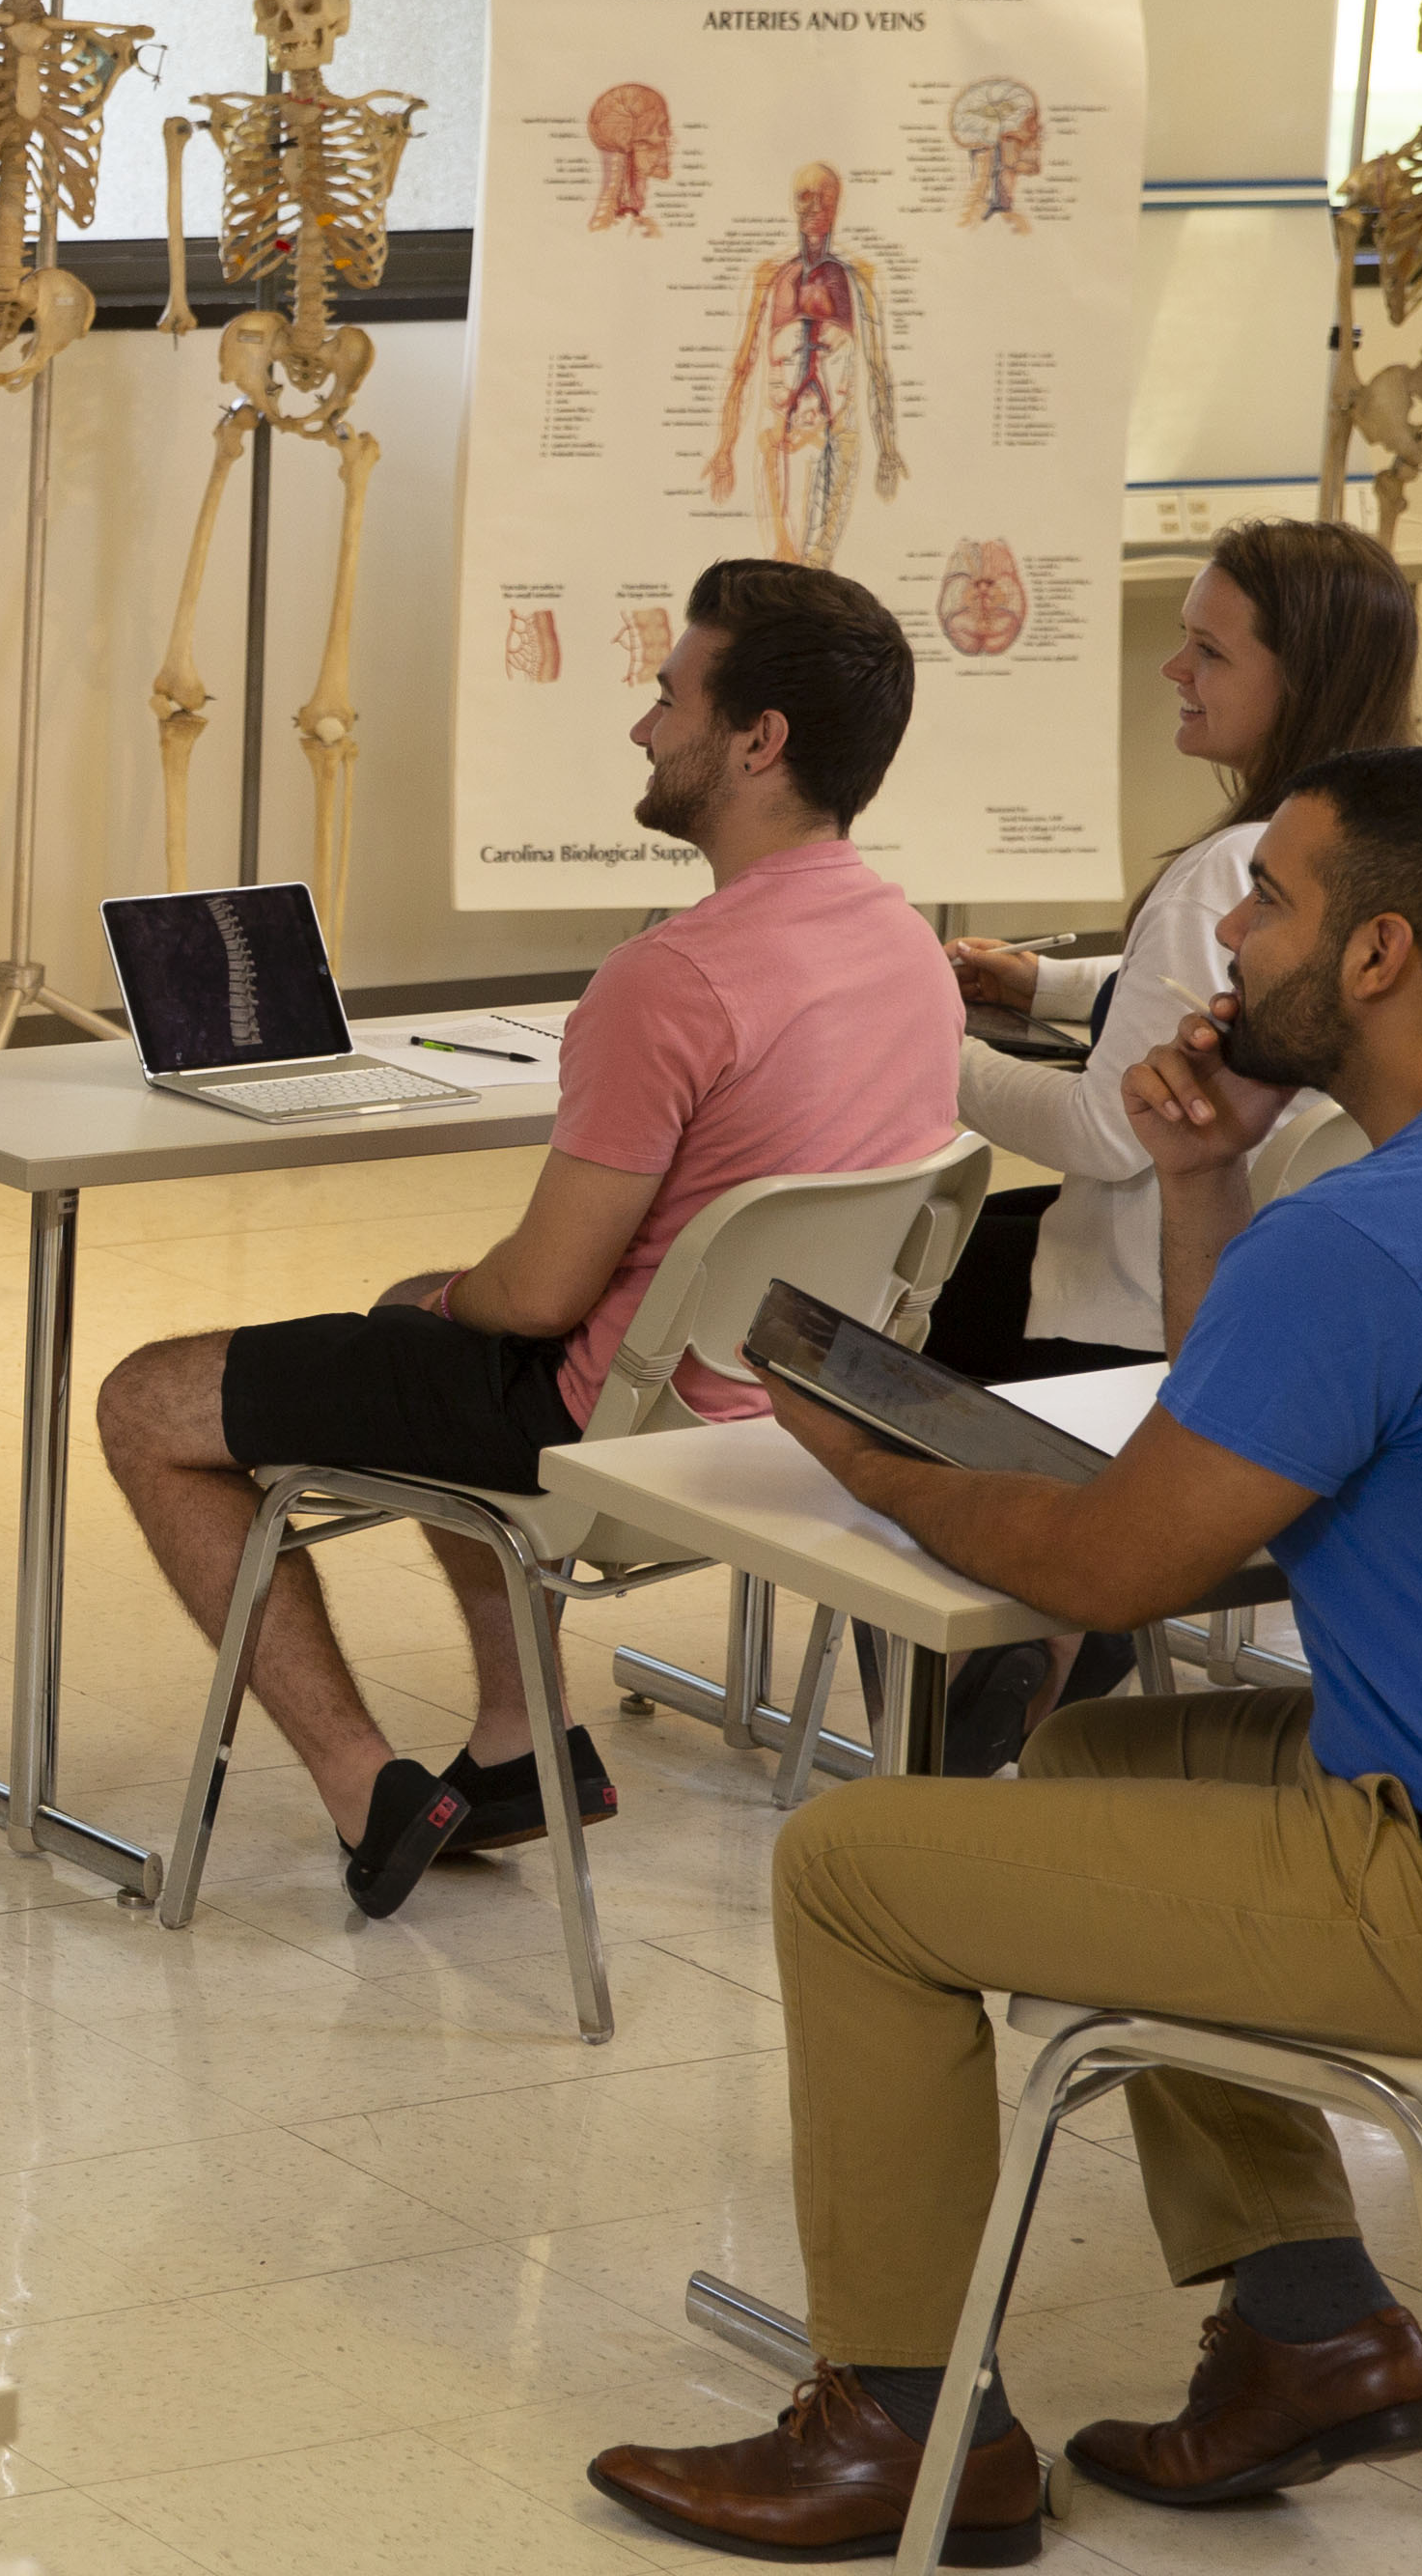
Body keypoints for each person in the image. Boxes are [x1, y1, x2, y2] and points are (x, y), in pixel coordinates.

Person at [590, 748, 1422, 2567]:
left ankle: (902, 2438)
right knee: (1086, 1769)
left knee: (851, 1870)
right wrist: (1200, 1182)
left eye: (1273, 898)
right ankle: (1315, 2328)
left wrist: (847, 1434)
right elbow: (1252, 1435)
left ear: (1376, 956)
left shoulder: (1377, 1234)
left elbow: (1111, 1568)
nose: (1229, 928)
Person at [89, 558, 957, 1921]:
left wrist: (448, 1296)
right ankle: (517, 1743)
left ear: (758, 740)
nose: (642, 727)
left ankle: (365, 1786)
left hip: (608, 1436)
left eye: (669, 698)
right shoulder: (909, 946)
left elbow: (541, 1291)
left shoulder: (669, 979)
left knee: (149, 1402)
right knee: (412, 1323)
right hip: (782, 1415)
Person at [931, 517, 1422, 1381]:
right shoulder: (1402, 837)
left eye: (1210, 651)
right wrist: (1050, 986)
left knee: (888, 1291)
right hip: (1287, 1276)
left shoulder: (1235, 867)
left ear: (1300, 679)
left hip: (1138, 1311)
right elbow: (1226, 997)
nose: (1174, 670)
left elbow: (1108, 1134)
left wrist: (930, 1049)